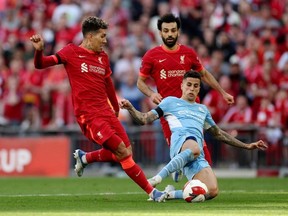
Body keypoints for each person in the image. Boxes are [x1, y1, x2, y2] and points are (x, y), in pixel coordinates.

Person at [29, 16, 166, 202]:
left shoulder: (103, 57)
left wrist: (115, 109)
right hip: (89, 116)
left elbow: (108, 83)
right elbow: (40, 64)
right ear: (90, 36)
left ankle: (85, 158)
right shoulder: (71, 52)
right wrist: (39, 51)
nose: (105, 40)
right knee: (122, 153)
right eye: (102, 36)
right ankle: (152, 192)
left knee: (127, 151)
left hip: (106, 112)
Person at [120, 70, 267, 201]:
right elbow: (144, 118)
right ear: (182, 86)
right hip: (180, 143)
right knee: (195, 147)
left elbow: (219, 134)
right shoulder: (170, 102)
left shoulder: (202, 109)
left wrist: (247, 145)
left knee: (211, 191)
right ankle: (157, 178)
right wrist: (131, 109)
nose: (192, 88)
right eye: (189, 84)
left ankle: (168, 194)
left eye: (195, 86)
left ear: (199, 89)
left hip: (197, 154)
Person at [137, 13, 235, 166]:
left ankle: (196, 184)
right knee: (183, 154)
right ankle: (186, 180)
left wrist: (222, 92)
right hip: (169, 114)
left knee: (202, 155)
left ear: (178, 31)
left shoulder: (188, 53)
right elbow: (140, 82)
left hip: (191, 111)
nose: (170, 34)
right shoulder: (151, 56)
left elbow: (204, 74)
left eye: (173, 30)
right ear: (160, 32)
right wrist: (151, 93)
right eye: (166, 30)